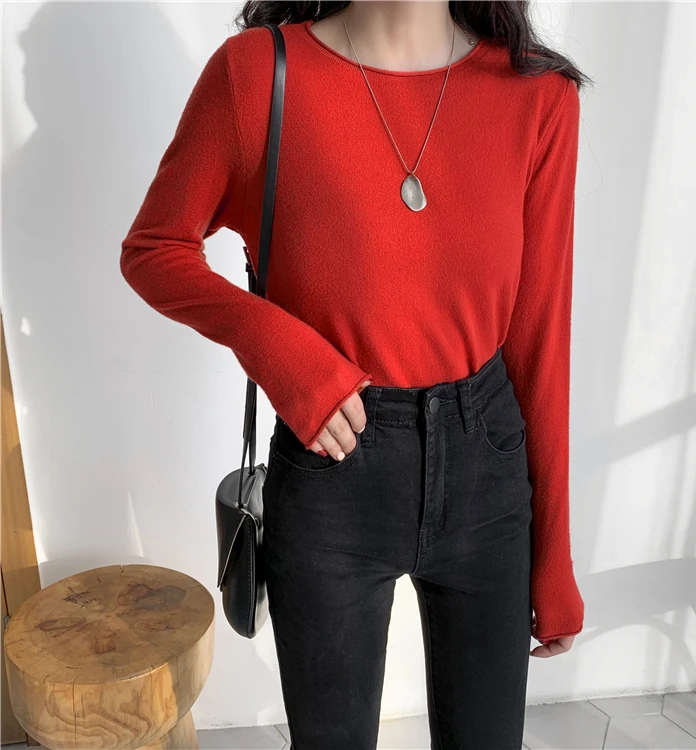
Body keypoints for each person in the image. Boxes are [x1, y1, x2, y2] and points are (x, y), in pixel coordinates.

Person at [120, 2, 592, 747]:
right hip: (330, 469)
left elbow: (541, 339)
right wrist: (281, 350)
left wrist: (554, 555)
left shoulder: (538, 96)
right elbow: (154, 248)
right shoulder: (256, 76)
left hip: (488, 473)